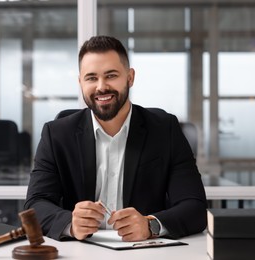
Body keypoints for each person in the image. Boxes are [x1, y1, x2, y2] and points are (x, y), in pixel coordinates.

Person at [24, 35, 207, 242]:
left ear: (130, 78)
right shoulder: (56, 134)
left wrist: (150, 225)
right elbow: (35, 204)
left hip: (143, 251)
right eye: (91, 78)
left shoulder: (165, 130)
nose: (101, 87)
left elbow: (195, 207)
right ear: (80, 82)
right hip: (79, 251)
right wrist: (70, 223)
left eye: (111, 75)